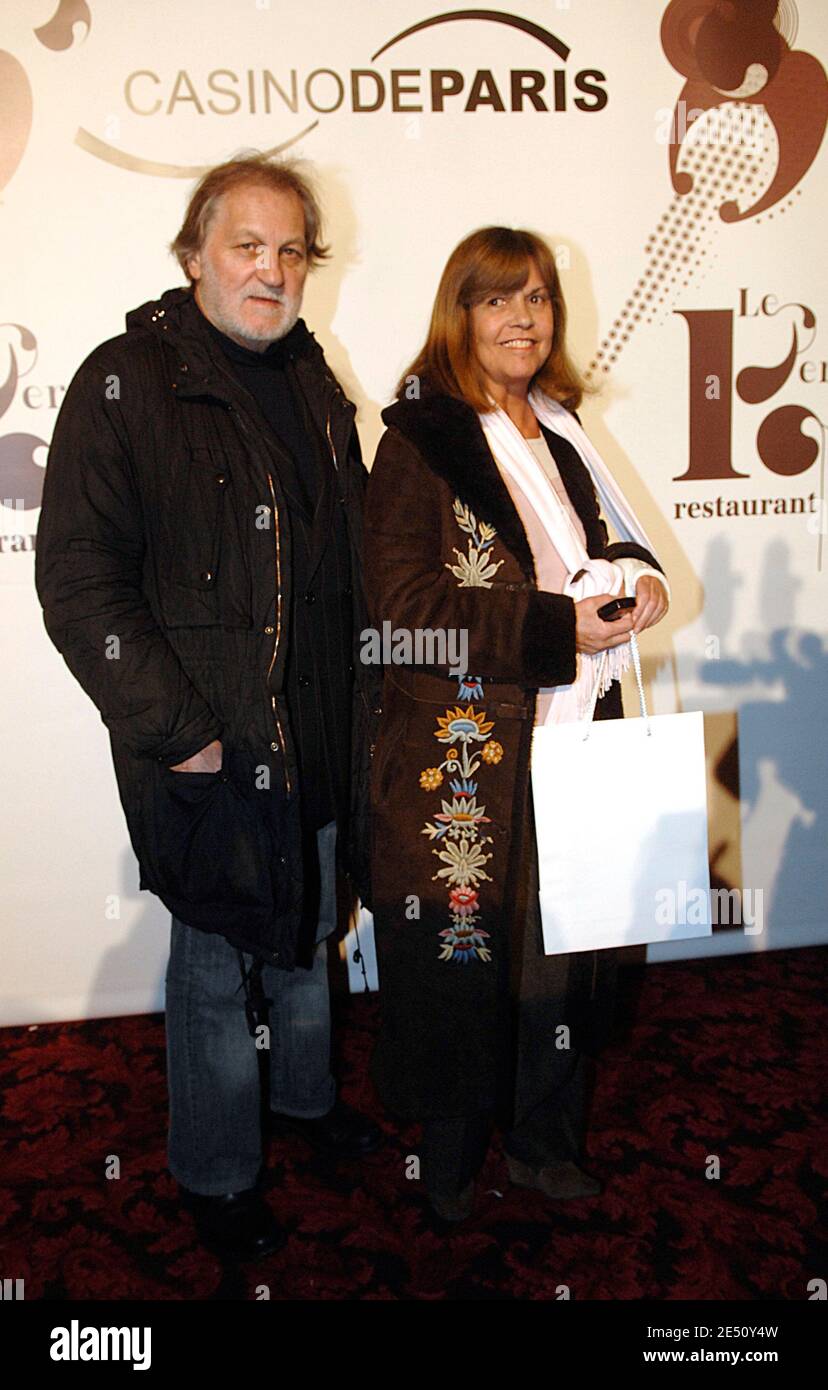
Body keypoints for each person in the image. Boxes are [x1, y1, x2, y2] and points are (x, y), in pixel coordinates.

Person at [35, 154, 382, 1260]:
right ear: (195, 257)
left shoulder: (318, 383)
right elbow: (80, 580)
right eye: (247, 245)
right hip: (212, 742)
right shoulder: (126, 378)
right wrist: (180, 732)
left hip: (319, 729)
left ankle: (306, 1107)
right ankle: (220, 1174)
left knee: (310, 932)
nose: (270, 270)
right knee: (213, 966)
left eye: (290, 251)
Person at [364, 226, 670, 1220]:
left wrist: (644, 581)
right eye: (498, 298)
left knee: (567, 955)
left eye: (537, 297)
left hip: (585, 727)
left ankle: (544, 1142)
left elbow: (611, 539)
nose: (523, 317)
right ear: (461, 313)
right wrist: (556, 628)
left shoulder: (561, 425)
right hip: (474, 751)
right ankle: (449, 1165)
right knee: (466, 961)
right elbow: (403, 610)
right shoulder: (424, 436)